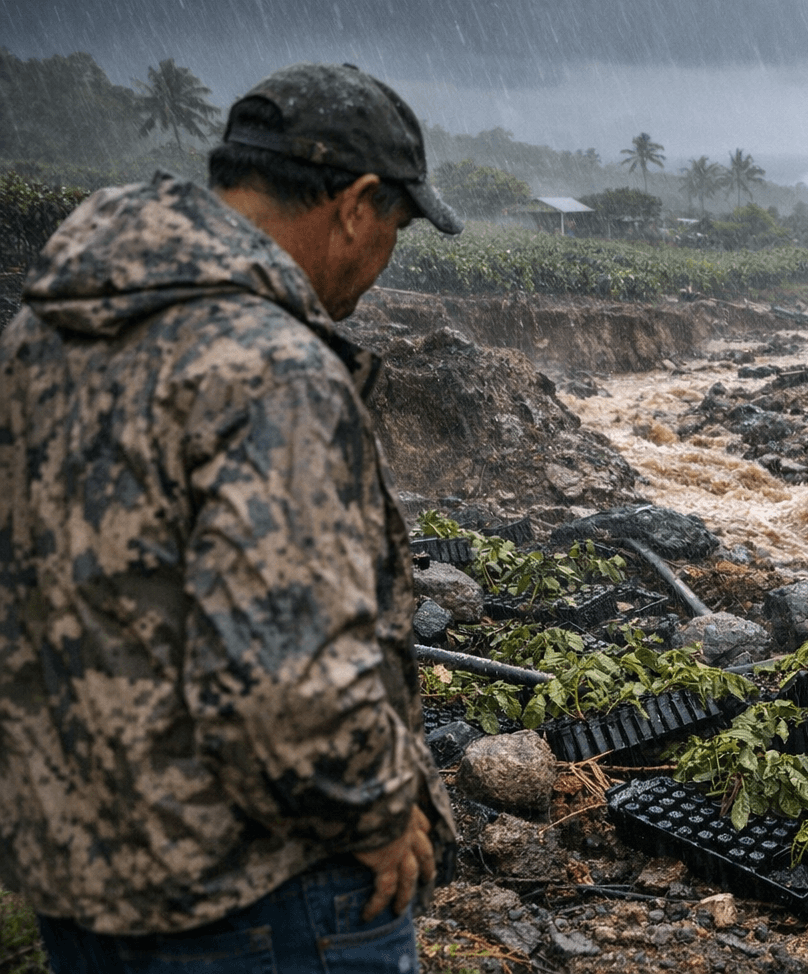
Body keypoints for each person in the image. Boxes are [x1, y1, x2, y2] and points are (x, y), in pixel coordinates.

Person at [0, 62, 462, 972]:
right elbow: (288, 684)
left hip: (79, 874)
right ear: (357, 205)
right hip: (262, 897)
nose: (385, 258)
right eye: (398, 229)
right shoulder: (270, 368)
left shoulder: (43, 334)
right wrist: (373, 813)